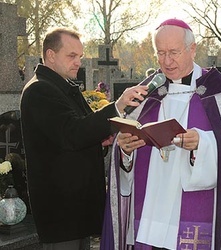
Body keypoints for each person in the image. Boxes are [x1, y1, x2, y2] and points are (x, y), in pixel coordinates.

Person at [100, 18, 221, 250]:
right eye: (160, 53)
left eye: (174, 52)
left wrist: (202, 143)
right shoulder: (147, 93)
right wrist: (125, 150)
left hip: (196, 207)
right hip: (152, 206)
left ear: (192, 49)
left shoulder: (216, 91)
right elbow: (124, 149)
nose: (167, 61)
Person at [20, 27, 142, 249]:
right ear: (50, 55)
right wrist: (118, 105)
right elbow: (72, 134)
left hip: (75, 210)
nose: (78, 62)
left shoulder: (61, 87)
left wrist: (100, 140)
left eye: (80, 56)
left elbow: (73, 135)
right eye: (71, 56)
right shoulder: (40, 90)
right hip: (61, 211)